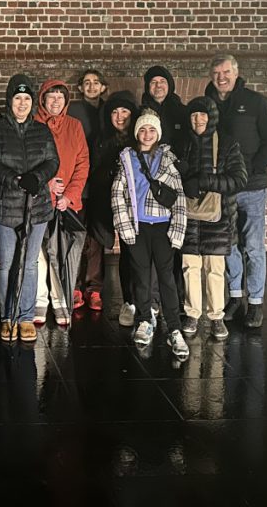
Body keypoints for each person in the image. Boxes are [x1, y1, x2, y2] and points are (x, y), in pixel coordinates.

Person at [205, 55, 267, 329]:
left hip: (252, 187)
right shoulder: (207, 103)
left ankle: (257, 302)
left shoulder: (256, 102)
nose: (221, 77)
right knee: (228, 246)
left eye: (226, 72)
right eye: (216, 72)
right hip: (223, 188)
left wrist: (253, 170)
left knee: (252, 246)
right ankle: (235, 297)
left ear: (236, 73)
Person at [0, 75, 60, 342]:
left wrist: (37, 178)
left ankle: (25, 316)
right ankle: (8, 315)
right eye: (17, 98)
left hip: (36, 207)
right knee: (6, 264)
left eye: (27, 98)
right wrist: (15, 179)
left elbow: (53, 161)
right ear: (10, 100)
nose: (22, 103)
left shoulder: (41, 130)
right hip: (6, 206)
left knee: (29, 264)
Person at [111, 111, 189, 359]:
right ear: (137, 133)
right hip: (138, 227)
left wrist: (177, 232)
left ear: (158, 134)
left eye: (151, 130)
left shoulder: (168, 159)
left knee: (166, 277)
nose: (147, 135)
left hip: (163, 226)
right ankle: (145, 319)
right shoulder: (127, 158)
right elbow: (118, 194)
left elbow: (179, 199)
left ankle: (175, 328)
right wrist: (124, 227)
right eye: (142, 130)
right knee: (141, 276)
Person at [177, 96, 247, 341]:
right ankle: (192, 314)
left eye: (203, 115)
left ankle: (216, 316)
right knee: (189, 267)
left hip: (218, 217)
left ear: (212, 117)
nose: (198, 120)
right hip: (188, 217)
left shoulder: (227, 144)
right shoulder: (182, 143)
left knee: (215, 269)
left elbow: (239, 180)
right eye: (194, 115)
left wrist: (205, 181)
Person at [33, 79, 89, 325]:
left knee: (60, 252)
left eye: (60, 97)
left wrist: (69, 195)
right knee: (37, 253)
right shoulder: (33, 124)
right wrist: (47, 186)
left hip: (65, 202)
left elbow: (82, 163)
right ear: (43, 99)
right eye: (51, 97)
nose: (55, 101)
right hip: (38, 201)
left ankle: (60, 300)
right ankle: (39, 300)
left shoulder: (74, 126)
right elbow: (28, 163)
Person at [81, 91, 137, 316]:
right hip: (103, 198)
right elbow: (93, 169)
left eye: (124, 111)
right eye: (115, 112)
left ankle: (130, 299)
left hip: (130, 204)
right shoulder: (100, 138)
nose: (120, 116)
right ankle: (93, 288)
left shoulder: (138, 138)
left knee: (130, 251)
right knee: (95, 244)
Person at [141, 65, 189, 313]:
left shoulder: (181, 111)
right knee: (149, 249)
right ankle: (150, 300)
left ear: (169, 85)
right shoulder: (142, 112)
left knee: (173, 244)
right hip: (148, 186)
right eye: (153, 82)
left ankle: (176, 299)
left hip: (173, 183)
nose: (158, 86)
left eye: (162, 81)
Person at [67, 68, 108, 148]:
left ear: (102, 87)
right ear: (81, 88)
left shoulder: (109, 108)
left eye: (96, 83)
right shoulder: (71, 110)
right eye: (87, 83)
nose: (91, 87)